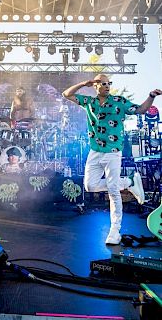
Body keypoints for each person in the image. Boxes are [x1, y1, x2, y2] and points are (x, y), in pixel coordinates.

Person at [62, 73, 162, 245]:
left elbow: (140, 110)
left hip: (113, 152)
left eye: (109, 83)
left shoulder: (119, 102)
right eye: (103, 83)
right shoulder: (89, 102)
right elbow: (66, 94)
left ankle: (114, 231)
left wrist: (151, 96)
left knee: (113, 191)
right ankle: (129, 183)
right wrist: (83, 83)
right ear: (95, 86)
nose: (107, 86)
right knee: (90, 185)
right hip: (95, 151)